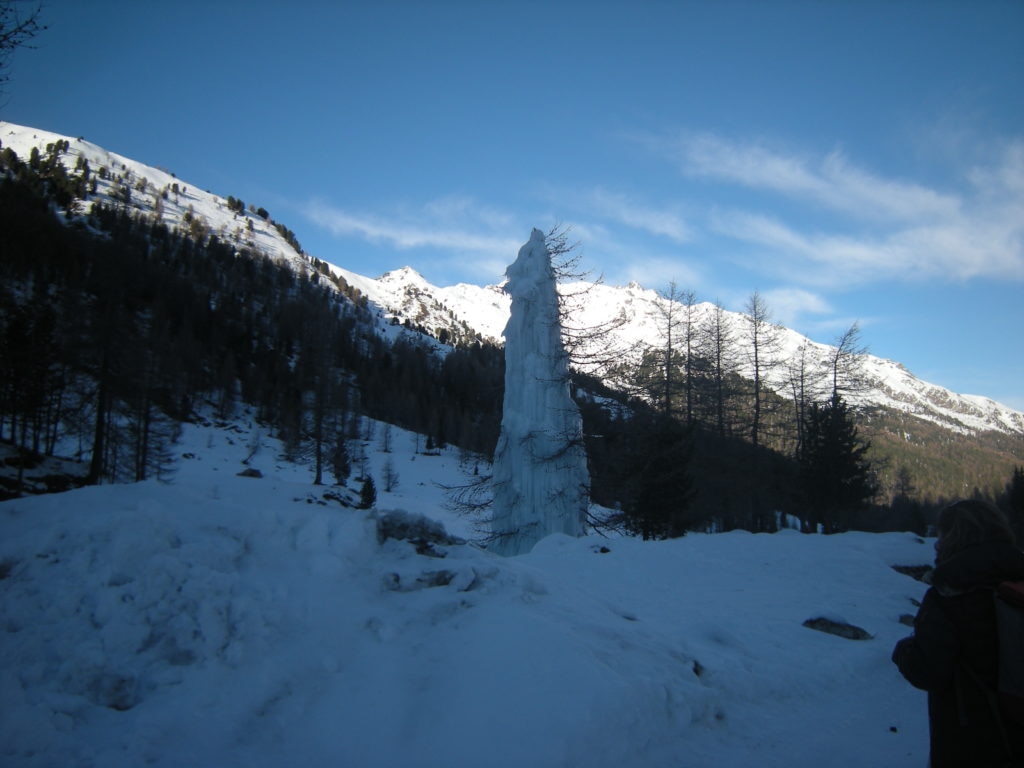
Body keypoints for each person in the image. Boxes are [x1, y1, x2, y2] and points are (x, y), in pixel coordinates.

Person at [892, 499, 1024, 767]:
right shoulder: (1017, 578)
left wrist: (903, 651)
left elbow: (928, 671)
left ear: (951, 537)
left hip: (972, 738)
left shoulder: (949, 592)